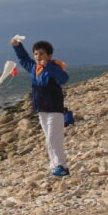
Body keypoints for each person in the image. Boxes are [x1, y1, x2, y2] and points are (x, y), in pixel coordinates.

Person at [11, 38, 71, 177]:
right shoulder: (34, 68)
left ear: (49, 56)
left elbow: (64, 79)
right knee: (47, 139)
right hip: (42, 109)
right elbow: (23, 59)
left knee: (53, 138)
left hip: (54, 108)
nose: (38, 56)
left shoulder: (54, 68)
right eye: (36, 54)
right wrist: (17, 46)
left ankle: (62, 166)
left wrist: (48, 66)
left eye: (41, 54)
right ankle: (54, 166)